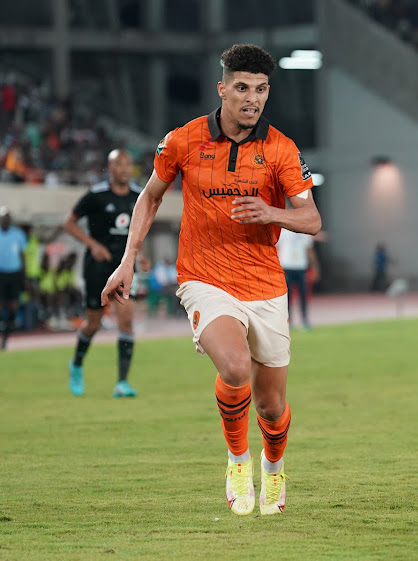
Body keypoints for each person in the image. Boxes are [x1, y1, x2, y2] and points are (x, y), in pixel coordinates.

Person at [101, 44, 321, 517]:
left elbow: (312, 219)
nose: (252, 98)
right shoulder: (182, 141)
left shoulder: (280, 148)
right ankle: (237, 459)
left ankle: (274, 465)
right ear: (222, 89)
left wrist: (270, 211)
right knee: (235, 368)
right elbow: (150, 198)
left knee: (271, 406)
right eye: (242, 87)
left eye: (261, 90)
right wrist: (128, 258)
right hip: (204, 278)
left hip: (265, 284)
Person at [62, 149, 141, 398]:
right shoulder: (96, 196)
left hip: (125, 266)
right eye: (118, 164)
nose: (124, 169)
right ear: (110, 168)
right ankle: (76, 364)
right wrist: (93, 245)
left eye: (128, 164)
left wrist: (141, 254)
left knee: (126, 320)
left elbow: (139, 228)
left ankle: (122, 383)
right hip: (97, 267)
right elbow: (69, 223)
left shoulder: (139, 196)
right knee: (94, 323)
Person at [276, 228, 319, 329]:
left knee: (303, 294)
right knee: (287, 296)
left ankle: (305, 320)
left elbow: (309, 249)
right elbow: (277, 248)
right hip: (287, 266)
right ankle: (289, 321)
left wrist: (314, 266)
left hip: (301, 266)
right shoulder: (282, 231)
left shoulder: (304, 232)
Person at [0, 206, 27, 350]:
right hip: (0, 274)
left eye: (8, 217)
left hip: (14, 274)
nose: (6, 220)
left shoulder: (18, 235)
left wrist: (25, 277)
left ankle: (6, 338)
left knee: (13, 306)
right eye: (4, 218)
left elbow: (23, 257)